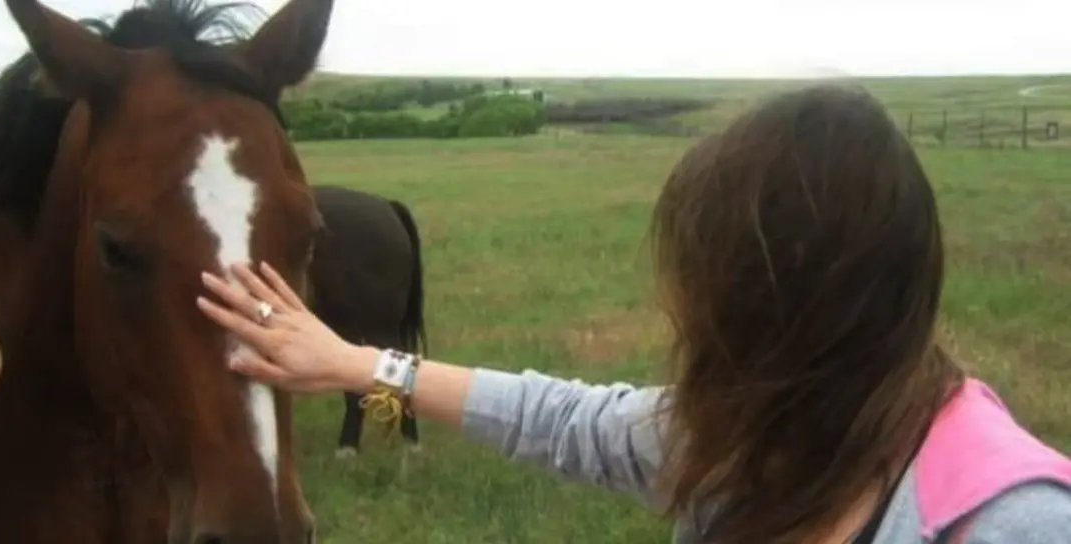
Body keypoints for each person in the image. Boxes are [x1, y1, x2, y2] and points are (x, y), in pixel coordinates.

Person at [195, 85, 1071, 543]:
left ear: (774, 309)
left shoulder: (1011, 523)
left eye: (702, 280)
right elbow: (564, 419)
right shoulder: (766, 436)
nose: (679, 309)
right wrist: (360, 365)